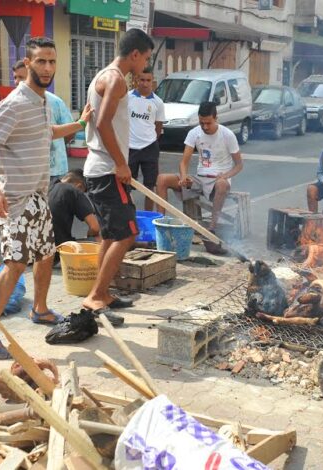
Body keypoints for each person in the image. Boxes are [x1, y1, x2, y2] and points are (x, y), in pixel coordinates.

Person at [0, 37, 91, 358]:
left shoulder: (41, 101)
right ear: (27, 64)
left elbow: (46, 132)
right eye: (40, 61)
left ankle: (39, 309)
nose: (47, 68)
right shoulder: (14, 103)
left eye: (52, 62)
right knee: (14, 265)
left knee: (44, 254)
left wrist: (79, 124)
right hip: (15, 199)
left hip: (38, 196)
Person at [81, 28, 154, 320]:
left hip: (99, 169)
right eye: (145, 58)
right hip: (106, 170)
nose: (145, 65)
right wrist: (121, 164)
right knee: (126, 235)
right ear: (134, 54)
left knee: (112, 237)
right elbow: (102, 123)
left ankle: (102, 292)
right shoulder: (115, 80)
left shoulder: (104, 75)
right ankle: (95, 297)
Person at [155, 101, 243, 254]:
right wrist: (183, 177)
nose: (205, 127)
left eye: (208, 123)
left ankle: (211, 230)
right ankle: (161, 225)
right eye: (202, 123)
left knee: (222, 184)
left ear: (216, 118)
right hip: (200, 177)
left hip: (219, 179)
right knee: (162, 179)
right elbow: (184, 162)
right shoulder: (194, 133)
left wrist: (225, 175)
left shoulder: (227, 135)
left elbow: (239, 165)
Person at [12, 59, 77, 183]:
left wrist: (55, 144)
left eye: (21, 77)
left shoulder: (55, 101)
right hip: (27, 171)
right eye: (15, 77)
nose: (17, 81)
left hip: (55, 170)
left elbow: (70, 130)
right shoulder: (12, 103)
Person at [128, 65, 165, 210]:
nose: (145, 83)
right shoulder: (127, 98)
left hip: (149, 147)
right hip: (130, 147)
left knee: (150, 186)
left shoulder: (158, 102)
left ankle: (148, 217)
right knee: (126, 185)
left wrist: (151, 140)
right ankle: (129, 216)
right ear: (136, 80)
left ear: (152, 81)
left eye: (148, 80)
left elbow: (158, 126)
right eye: (142, 79)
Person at [48, 169, 101, 247]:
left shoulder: (49, 185)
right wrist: (89, 234)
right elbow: (95, 227)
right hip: (60, 247)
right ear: (79, 186)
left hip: (39, 246)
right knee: (97, 237)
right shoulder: (72, 190)